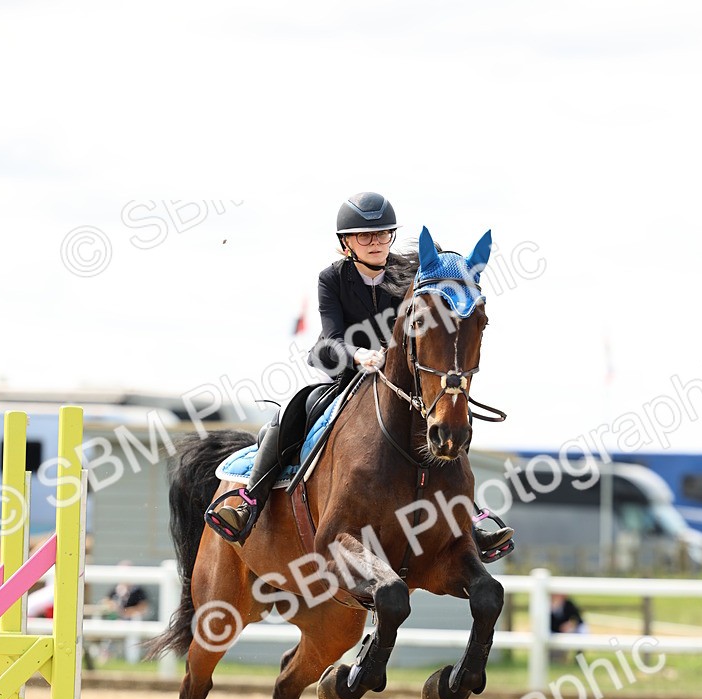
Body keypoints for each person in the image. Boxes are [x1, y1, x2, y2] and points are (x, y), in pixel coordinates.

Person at [206, 191, 515, 561]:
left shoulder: (411, 276)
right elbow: (330, 338)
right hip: (348, 374)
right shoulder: (332, 279)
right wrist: (359, 355)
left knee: (450, 418)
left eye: (383, 234)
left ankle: (469, 517)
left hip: (400, 384)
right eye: (365, 236)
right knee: (291, 411)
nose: (376, 242)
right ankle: (249, 503)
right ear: (346, 243)